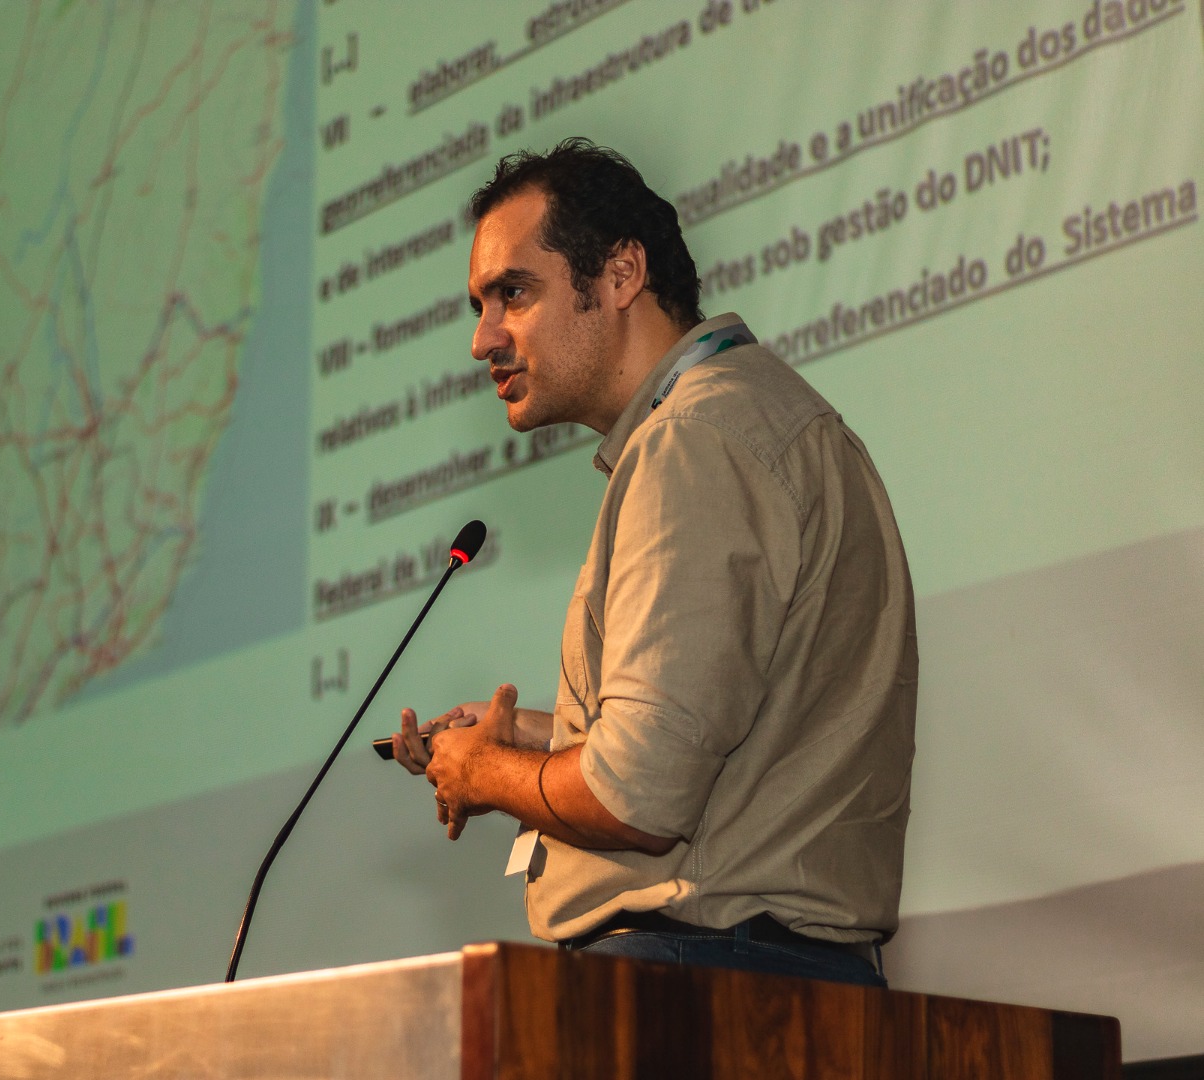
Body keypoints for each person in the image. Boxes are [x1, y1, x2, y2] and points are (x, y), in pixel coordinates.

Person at [390, 139, 917, 988]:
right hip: (755, 974)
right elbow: (736, 727)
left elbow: (638, 798)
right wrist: (532, 735)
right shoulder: (757, 418)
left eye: (513, 293)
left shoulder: (695, 441)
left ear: (622, 273)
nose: (483, 339)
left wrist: (485, 772)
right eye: (480, 305)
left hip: (702, 979)